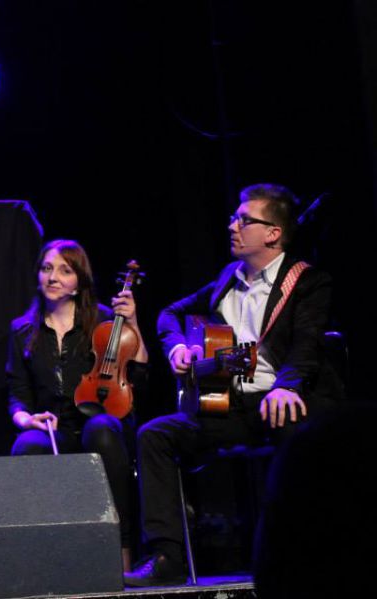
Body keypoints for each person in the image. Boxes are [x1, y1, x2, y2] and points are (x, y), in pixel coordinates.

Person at [124, 183, 336, 587]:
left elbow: (307, 344)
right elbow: (169, 313)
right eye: (234, 218)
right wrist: (177, 347)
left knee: (295, 434)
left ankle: (299, 558)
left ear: (272, 233)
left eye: (243, 220)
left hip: (283, 399)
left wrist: (287, 386)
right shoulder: (228, 279)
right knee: (154, 436)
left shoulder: (308, 282)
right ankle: (168, 557)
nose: (232, 226)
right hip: (227, 405)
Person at [7, 239, 148, 571]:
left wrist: (132, 323)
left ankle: (122, 548)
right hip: (53, 427)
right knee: (27, 446)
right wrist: (26, 419)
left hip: (97, 423)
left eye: (64, 271)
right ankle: (41, 555)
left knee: (102, 430)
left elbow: (138, 374)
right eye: (46, 269)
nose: (53, 277)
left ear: (79, 281)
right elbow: (16, 393)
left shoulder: (103, 321)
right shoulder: (22, 330)